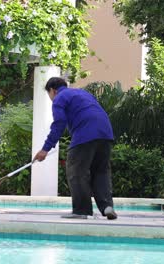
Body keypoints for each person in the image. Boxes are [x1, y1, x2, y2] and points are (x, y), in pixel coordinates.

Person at [33, 77, 117, 220]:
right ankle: (107, 206)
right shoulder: (82, 93)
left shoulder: (59, 98)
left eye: (50, 96)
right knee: (101, 171)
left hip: (85, 134)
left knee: (76, 171)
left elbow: (59, 123)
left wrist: (45, 149)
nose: (51, 99)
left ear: (52, 90)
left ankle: (81, 210)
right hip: (106, 133)